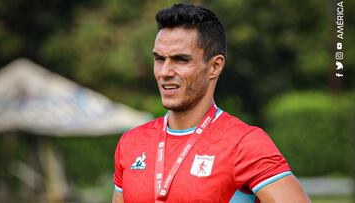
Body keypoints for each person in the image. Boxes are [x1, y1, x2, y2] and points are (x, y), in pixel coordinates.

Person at [112, 3, 310, 203]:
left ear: (215, 66)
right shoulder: (130, 143)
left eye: (181, 60)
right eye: (159, 59)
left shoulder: (245, 144)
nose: (165, 72)